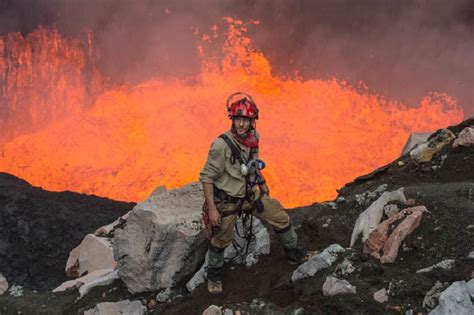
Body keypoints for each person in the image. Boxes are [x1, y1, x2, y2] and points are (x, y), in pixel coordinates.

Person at [199, 92, 316, 295]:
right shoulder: (220, 146)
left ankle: (294, 253)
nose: (242, 124)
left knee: (279, 216)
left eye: (245, 120)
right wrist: (212, 208)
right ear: (232, 119)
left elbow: (252, 163)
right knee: (221, 240)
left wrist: (262, 183)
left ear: (252, 121)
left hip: (247, 195)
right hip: (226, 202)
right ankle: (214, 276)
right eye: (238, 119)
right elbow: (207, 177)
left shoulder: (254, 139)